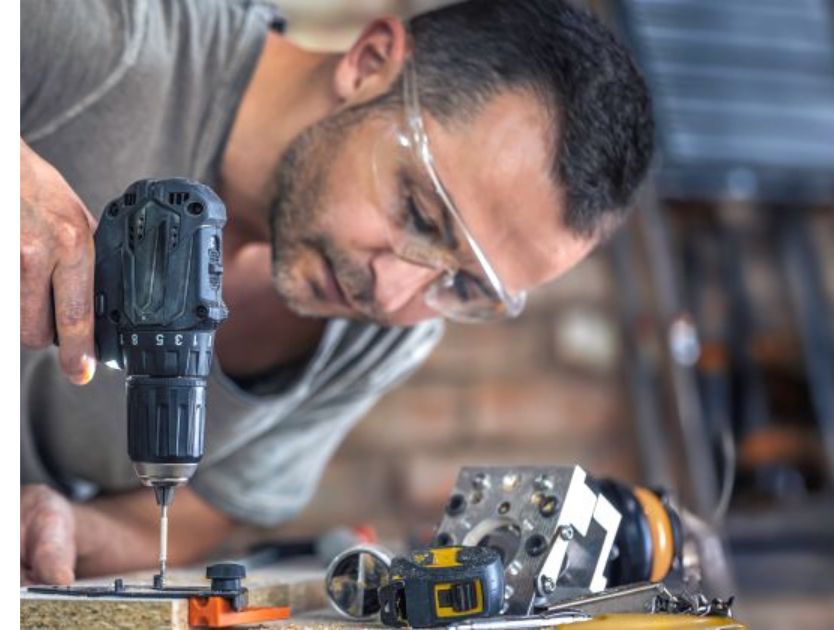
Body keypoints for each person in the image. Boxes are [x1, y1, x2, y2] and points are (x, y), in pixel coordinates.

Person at [19, 0, 653, 584]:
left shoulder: (384, 340)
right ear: (368, 62)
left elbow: (205, 510)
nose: (392, 289)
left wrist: (66, 526)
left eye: (461, 284)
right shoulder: (109, 37)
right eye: (420, 214)